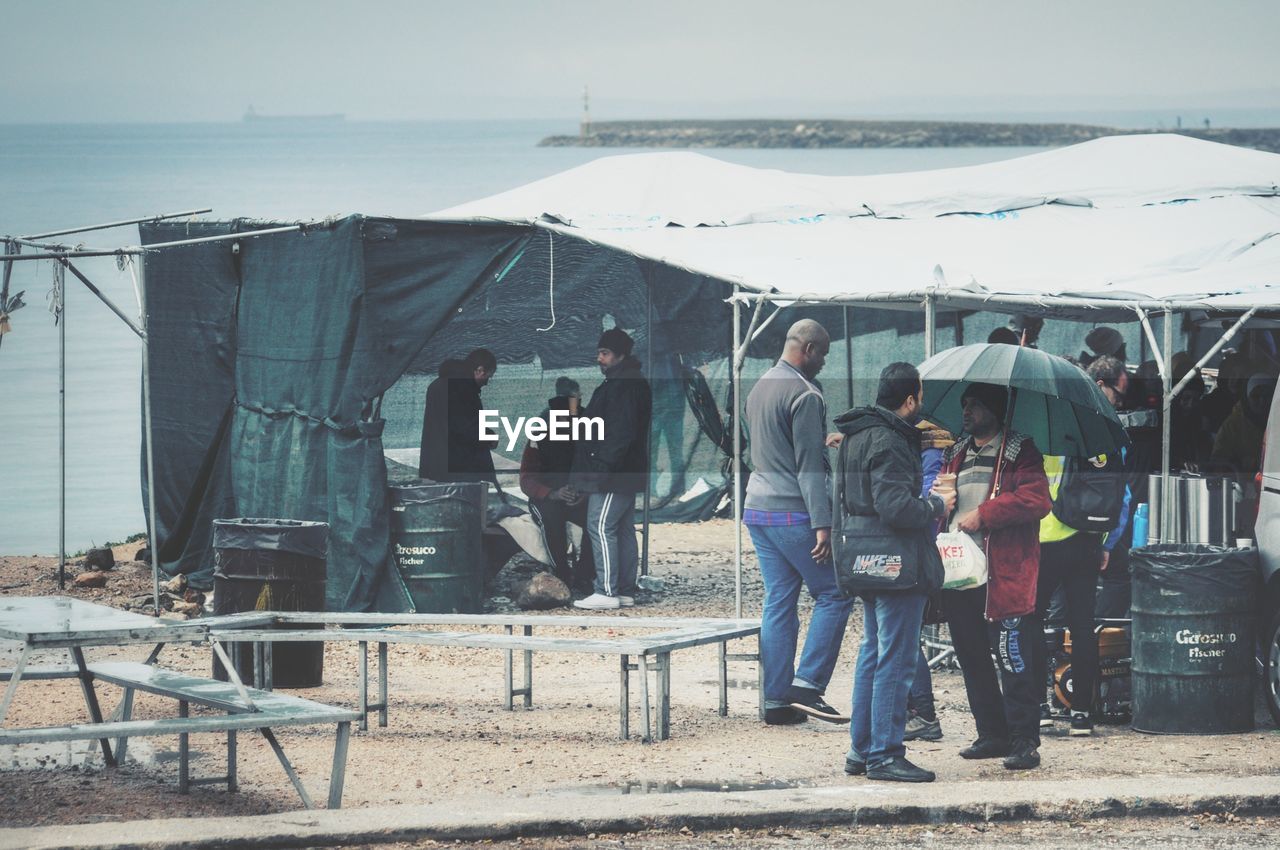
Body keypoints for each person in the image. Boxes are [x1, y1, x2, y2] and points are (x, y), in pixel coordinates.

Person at [835, 362, 954, 783]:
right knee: (895, 659)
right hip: (896, 563)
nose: (921, 405)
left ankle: (861, 749)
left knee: (873, 652)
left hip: (862, 555)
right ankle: (884, 754)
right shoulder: (890, 441)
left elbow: (849, 501)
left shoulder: (857, 433)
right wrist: (937, 506)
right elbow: (897, 508)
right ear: (909, 400)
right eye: (919, 397)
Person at [742, 319, 854, 725]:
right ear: (807, 348)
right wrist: (822, 524)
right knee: (835, 594)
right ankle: (807, 685)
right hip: (794, 512)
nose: (823, 362)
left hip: (757, 509)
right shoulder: (806, 394)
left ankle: (776, 701)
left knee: (779, 600)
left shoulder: (759, 386)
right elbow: (808, 467)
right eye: (822, 353)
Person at [938, 384, 1052, 770]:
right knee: (971, 656)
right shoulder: (955, 451)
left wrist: (985, 514)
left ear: (995, 409)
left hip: (1005, 575)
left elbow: (1038, 500)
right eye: (964, 404)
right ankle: (991, 733)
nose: (966, 411)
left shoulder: (1021, 450)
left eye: (974, 405)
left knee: (1013, 657)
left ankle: (1024, 740)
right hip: (960, 572)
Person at [1035, 355, 1131, 737]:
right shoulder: (1100, 426)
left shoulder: (1039, 427)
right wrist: (1107, 541)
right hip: (1087, 541)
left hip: (1041, 539)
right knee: (1083, 625)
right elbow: (1118, 492)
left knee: (1034, 623)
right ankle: (1081, 715)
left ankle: (1039, 706)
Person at [571, 328, 652, 610]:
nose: (599, 359)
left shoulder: (623, 386)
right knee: (623, 528)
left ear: (621, 355)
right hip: (626, 470)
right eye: (599, 353)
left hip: (614, 472)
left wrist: (601, 468)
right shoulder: (629, 382)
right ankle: (625, 590)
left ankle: (606, 590)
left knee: (600, 525)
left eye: (604, 353)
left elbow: (619, 433)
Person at [520, 378, 594, 594]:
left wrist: (585, 493)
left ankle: (585, 574)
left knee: (596, 519)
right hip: (546, 496)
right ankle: (561, 572)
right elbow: (526, 478)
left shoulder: (587, 424)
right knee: (552, 519)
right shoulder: (540, 428)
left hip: (577, 494)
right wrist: (551, 493)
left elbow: (594, 468)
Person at [905, 420, 954, 743]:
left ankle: (923, 714)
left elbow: (927, 500)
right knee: (904, 637)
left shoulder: (932, 448)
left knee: (906, 636)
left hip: (923, 551)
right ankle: (916, 711)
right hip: (920, 550)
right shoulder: (930, 447)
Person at [419, 348, 498, 485]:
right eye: (488, 376)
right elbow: (465, 427)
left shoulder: (437, 384)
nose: (487, 382)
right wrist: (490, 437)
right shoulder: (464, 388)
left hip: (437, 465)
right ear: (479, 370)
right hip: (460, 466)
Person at [1211, 373, 1275, 480]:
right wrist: (1240, 463)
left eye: (1267, 396)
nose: (1262, 401)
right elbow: (1218, 461)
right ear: (1247, 397)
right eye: (1256, 396)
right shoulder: (1232, 426)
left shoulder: (1276, 423)